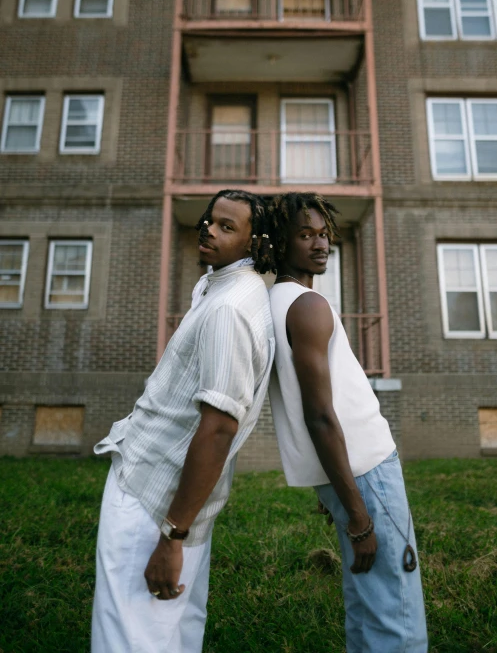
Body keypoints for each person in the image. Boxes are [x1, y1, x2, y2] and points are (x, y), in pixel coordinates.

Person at [91, 189, 275, 653]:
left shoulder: (229, 309)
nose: (210, 230)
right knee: (169, 629)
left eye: (228, 227)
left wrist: (173, 536)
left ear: (256, 244)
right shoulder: (220, 287)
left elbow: (219, 429)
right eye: (210, 221)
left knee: (130, 635)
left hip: (154, 499)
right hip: (168, 490)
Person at [268, 192, 427, 653]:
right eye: (305, 234)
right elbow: (318, 415)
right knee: (395, 602)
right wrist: (357, 513)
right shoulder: (307, 306)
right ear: (281, 241)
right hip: (367, 472)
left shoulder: (275, 303)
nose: (320, 244)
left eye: (324, 234)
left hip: (346, 474)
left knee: (367, 595)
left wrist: (335, 488)